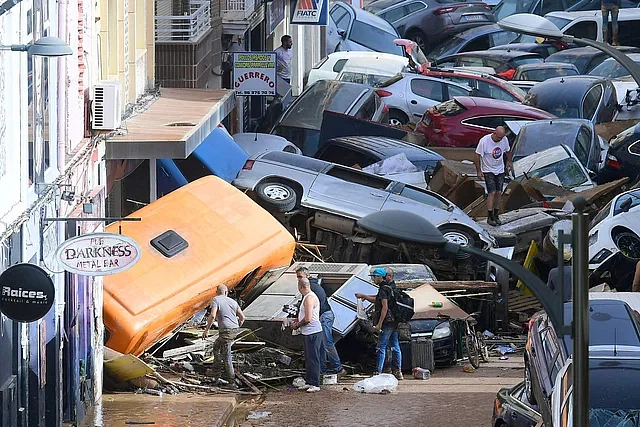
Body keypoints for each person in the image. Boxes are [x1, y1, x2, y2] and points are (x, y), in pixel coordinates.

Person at [295, 267, 346, 375]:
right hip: (324, 315)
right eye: (298, 277)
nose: (298, 279)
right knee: (322, 345)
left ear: (307, 276)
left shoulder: (311, 288)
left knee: (327, 343)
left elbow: (313, 307)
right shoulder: (311, 286)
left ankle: (338, 369)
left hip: (324, 316)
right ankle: (322, 369)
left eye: (300, 276)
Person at [355, 267, 403, 380]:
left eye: (374, 277)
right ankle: (398, 371)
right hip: (394, 321)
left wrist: (379, 324)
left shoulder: (383, 289)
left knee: (381, 347)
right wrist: (365, 296)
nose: (373, 279)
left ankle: (378, 372)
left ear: (380, 277)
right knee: (395, 346)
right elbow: (379, 300)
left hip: (387, 322)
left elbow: (384, 307)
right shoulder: (390, 287)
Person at [202, 284, 246, 388]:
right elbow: (242, 317)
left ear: (216, 292)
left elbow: (212, 315)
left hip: (226, 331)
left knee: (226, 356)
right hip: (234, 330)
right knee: (216, 346)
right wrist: (236, 326)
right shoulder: (233, 302)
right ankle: (215, 371)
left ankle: (232, 382)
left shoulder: (216, 300)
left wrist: (207, 330)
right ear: (226, 292)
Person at [475, 126, 513, 227]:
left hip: (499, 169)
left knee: (499, 192)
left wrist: (509, 161)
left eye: (501, 138)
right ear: (494, 133)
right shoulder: (484, 141)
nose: (499, 140)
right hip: (488, 169)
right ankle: (490, 215)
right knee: (492, 192)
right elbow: (477, 156)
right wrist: (479, 170)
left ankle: (496, 214)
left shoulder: (504, 140)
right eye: (498, 138)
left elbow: (508, 151)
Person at [290, 278, 323, 392]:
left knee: (313, 358)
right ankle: (309, 381)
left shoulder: (309, 298)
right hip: (307, 332)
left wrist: (297, 325)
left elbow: (308, 318)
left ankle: (315, 383)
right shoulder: (307, 297)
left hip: (312, 332)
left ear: (300, 287)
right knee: (308, 358)